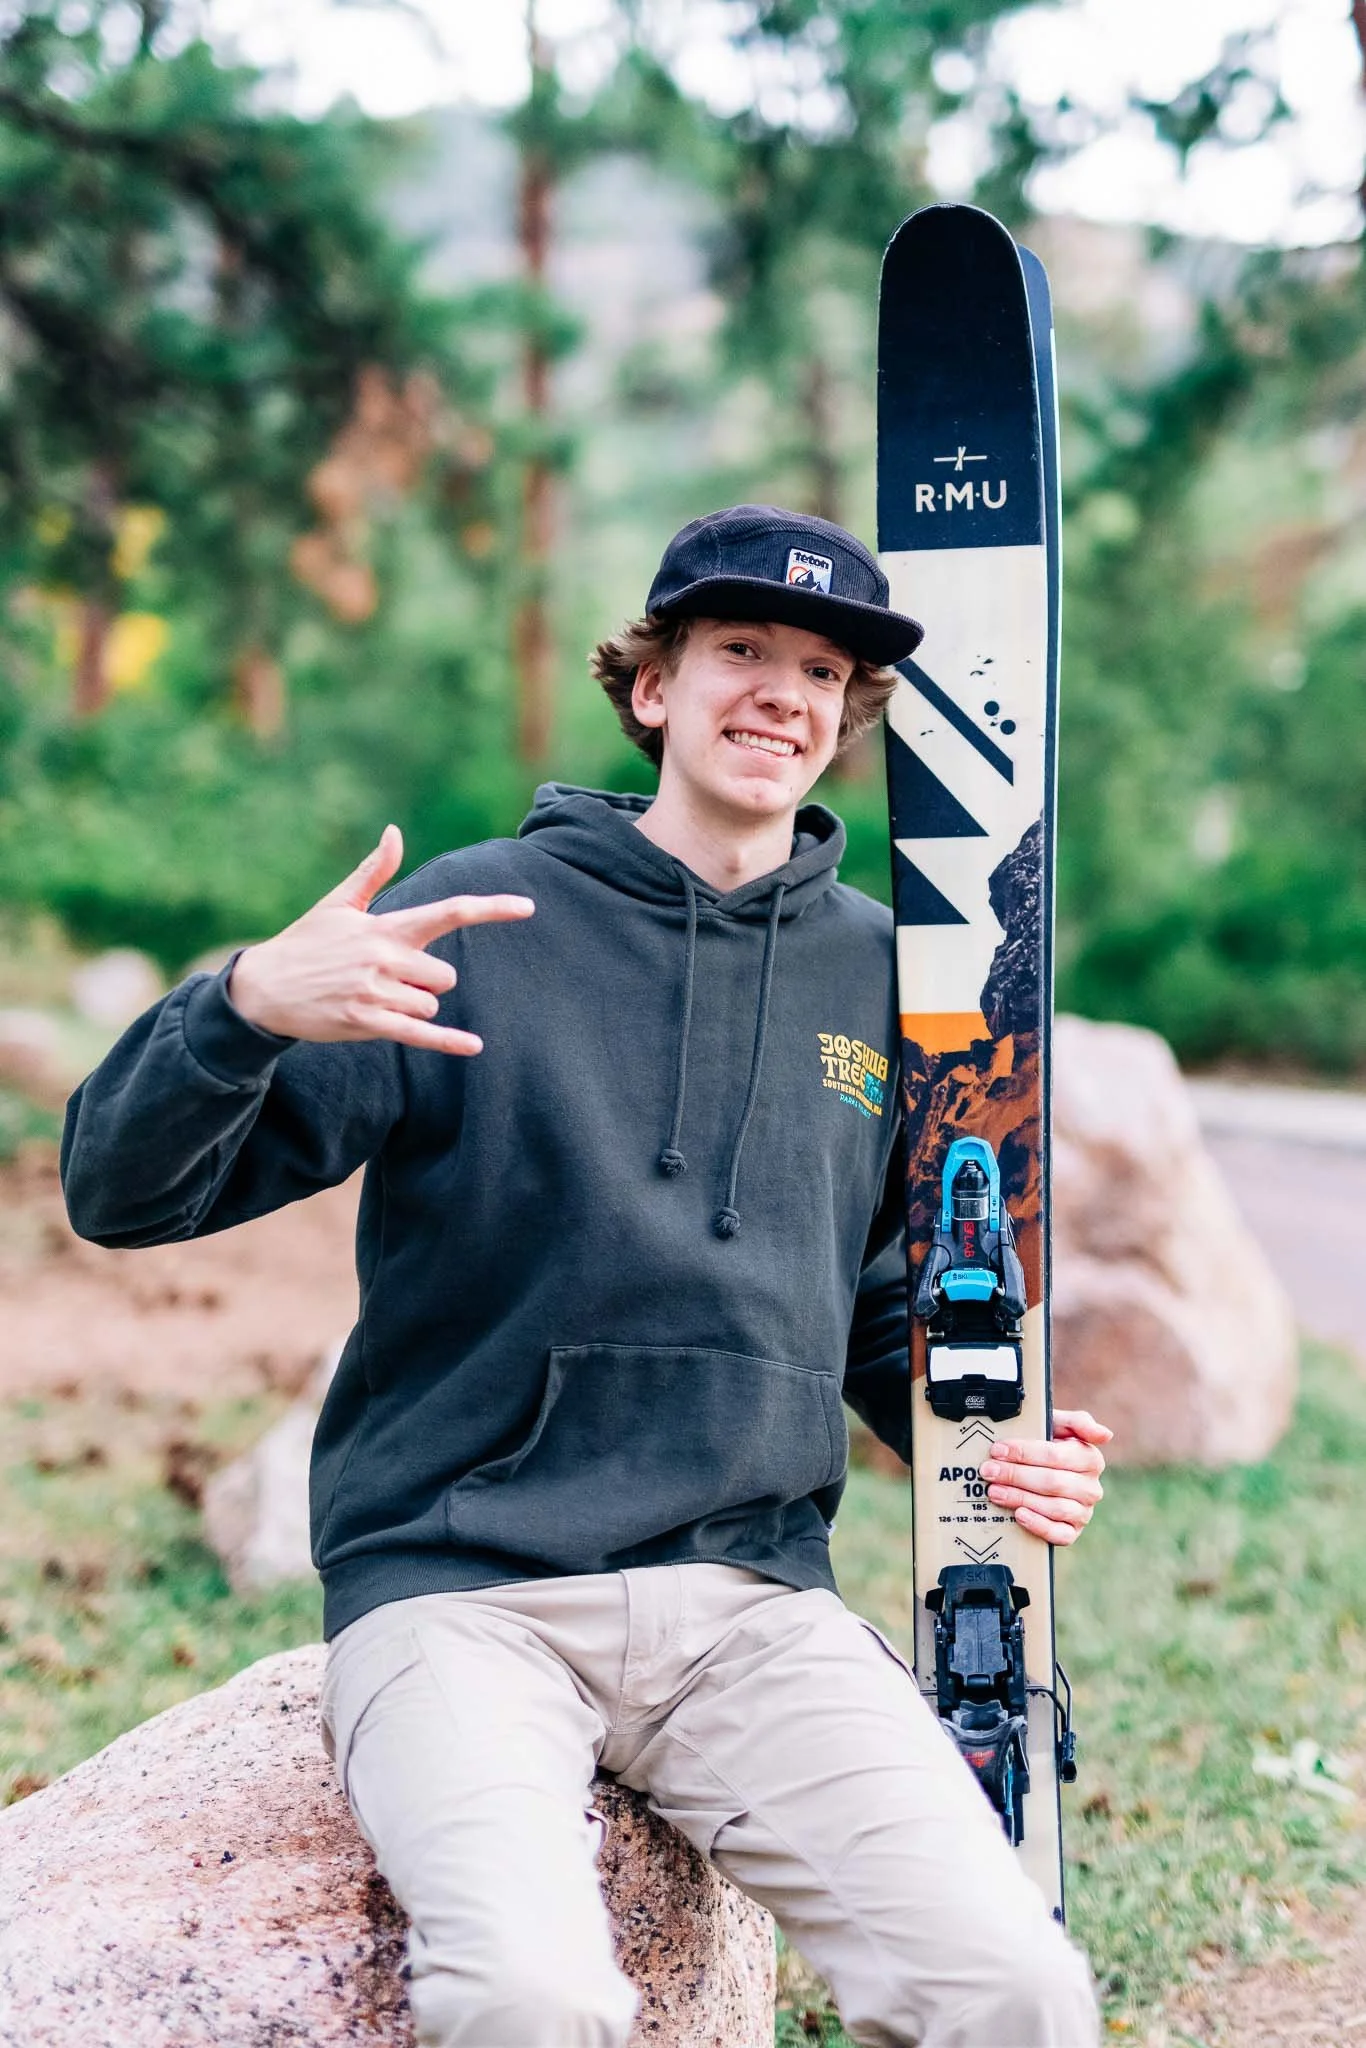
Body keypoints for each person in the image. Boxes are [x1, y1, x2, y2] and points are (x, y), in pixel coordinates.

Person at [61, 504, 1109, 2047]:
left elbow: (889, 1286)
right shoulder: (480, 923)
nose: (780, 694)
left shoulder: (892, 979)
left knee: (1013, 1989)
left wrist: (995, 1442)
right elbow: (120, 1194)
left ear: (845, 718)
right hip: (462, 1592)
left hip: (751, 1602)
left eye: (820, 672)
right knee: (530, 1998)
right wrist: (247, 1007)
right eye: (739, 651)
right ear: (652, 688)